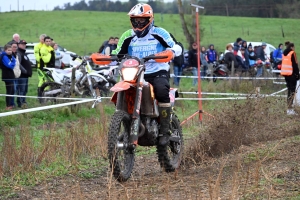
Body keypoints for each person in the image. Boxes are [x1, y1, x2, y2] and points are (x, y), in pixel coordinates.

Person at [111, 3, 182, 146]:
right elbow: (117, 53)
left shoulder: (159, 33)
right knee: (122, 91)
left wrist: (171, 52)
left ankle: (164, 130)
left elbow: (177, 46)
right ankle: (124, 123)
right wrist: (107, 58)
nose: (138, 23)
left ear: (149, 19)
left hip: (157, 71)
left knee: (162, 91)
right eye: (135, 19)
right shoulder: (127, 35)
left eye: (142, 20)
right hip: (135, 72)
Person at [280, 43, 300, 115]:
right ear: (292, 47)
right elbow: (294, 64)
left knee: (289, 91)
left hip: (286, 74)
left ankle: (289, 108)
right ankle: (290, 109)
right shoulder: (292, 53)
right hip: (291, 75)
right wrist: (297, 74)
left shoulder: (284, 53)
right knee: (292, 91)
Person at [16, 40, 32, 108]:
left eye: (25, 44)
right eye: (22, 44)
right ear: (19, 45)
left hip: (26, 76)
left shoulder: (23, 53)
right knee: (21, 90)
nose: (24, 45)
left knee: (25, 90)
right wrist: (25, 71)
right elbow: (18, 64)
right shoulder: (18, 53)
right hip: (21, 75)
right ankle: (20, 103)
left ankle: (24, 102)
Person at [0, 44, 16, 110]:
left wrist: (12, 62)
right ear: (5, 50)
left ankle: (11, 104)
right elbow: (9, 65)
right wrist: (13, 63)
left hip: (11, 75)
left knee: (12, 90)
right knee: (9, 90)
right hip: (7, 75)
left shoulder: (10, 56)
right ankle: (8, 105)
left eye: (10, 50)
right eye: (8, 50)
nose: (10, 51)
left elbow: (14, 62)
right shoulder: (4, 56)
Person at [34, 34, 47, 98]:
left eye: (44, 39)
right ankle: (39, 94)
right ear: (40, 39)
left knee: (47, 80)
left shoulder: (47, 46)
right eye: (42, 39)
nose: (43, 40)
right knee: (41, 79)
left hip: (47, 66)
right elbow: (37, 57)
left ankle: (46, 93)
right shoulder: (37, 46)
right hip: (40, 66)